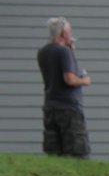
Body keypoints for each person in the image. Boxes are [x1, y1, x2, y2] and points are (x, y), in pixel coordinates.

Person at [37, 16, 91, 158]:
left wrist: (70, 52)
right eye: (70, 31)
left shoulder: (43, 52)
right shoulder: (64, 52)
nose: (72, 35)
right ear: (64, 33)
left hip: (50, 107)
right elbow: (69, 79)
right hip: (68, 108)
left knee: (55, 153)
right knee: (77, 152)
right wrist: (84, 80)